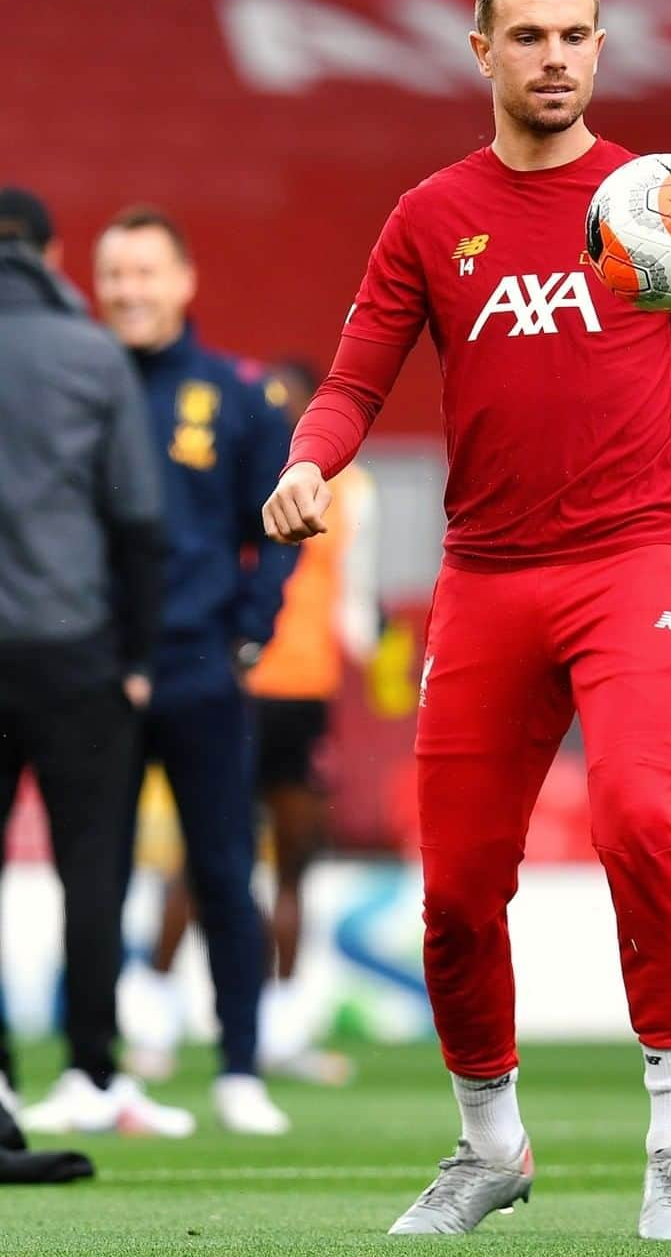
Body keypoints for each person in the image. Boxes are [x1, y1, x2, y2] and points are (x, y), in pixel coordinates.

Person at [263, 0, 671, 1242]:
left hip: (635, 564)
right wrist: (309, 464)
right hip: (485, 582)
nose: (555, 56)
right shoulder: (432, 214)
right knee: (456, 886)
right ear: (478, 48)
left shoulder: (658, 199)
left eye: (576, 34)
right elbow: (353, 379)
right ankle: (489, 1143)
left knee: (640, 824)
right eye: (529, 35)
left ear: (600, 49)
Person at [93, 206, 297, 1135]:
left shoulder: (237, 395)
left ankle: (240, 1069)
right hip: (93, 673)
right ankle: (90, 1073)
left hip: (199, 669)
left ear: (184, 281)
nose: (129, 291)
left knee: (221, 870)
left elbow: (281, 529)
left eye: (145, 273)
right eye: (115, 276)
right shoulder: (79, 387)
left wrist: (249, 631)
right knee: (89, 874)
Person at [123, 361, 379, 1084]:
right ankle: (277, 1032)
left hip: (236, 678)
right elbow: (358, 617)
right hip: (291, 692)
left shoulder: (224, 469)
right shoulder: (350, 489)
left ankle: (154, 1028)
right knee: (283, 865)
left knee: (206, 860)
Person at [0, 187, 192, 1137]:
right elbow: (139, 523)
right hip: (75, 652)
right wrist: (138, 655)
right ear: (56, 253)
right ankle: (88, 1070)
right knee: (92, 866)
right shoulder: (91, 355)